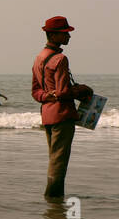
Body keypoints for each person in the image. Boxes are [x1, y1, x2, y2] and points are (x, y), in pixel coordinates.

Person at [31, 16, 94, 199]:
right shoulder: (60, 59)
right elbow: (64, 92)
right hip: (62, 114)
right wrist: (83, 90)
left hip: (47, 114)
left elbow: (36, 92)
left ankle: (52, 200)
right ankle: (54, 198)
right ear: (53, 35)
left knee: (54, 157)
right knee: (59, 160)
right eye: (65, 33)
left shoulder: (38, 58)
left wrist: (47, 95)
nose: (69, 37)